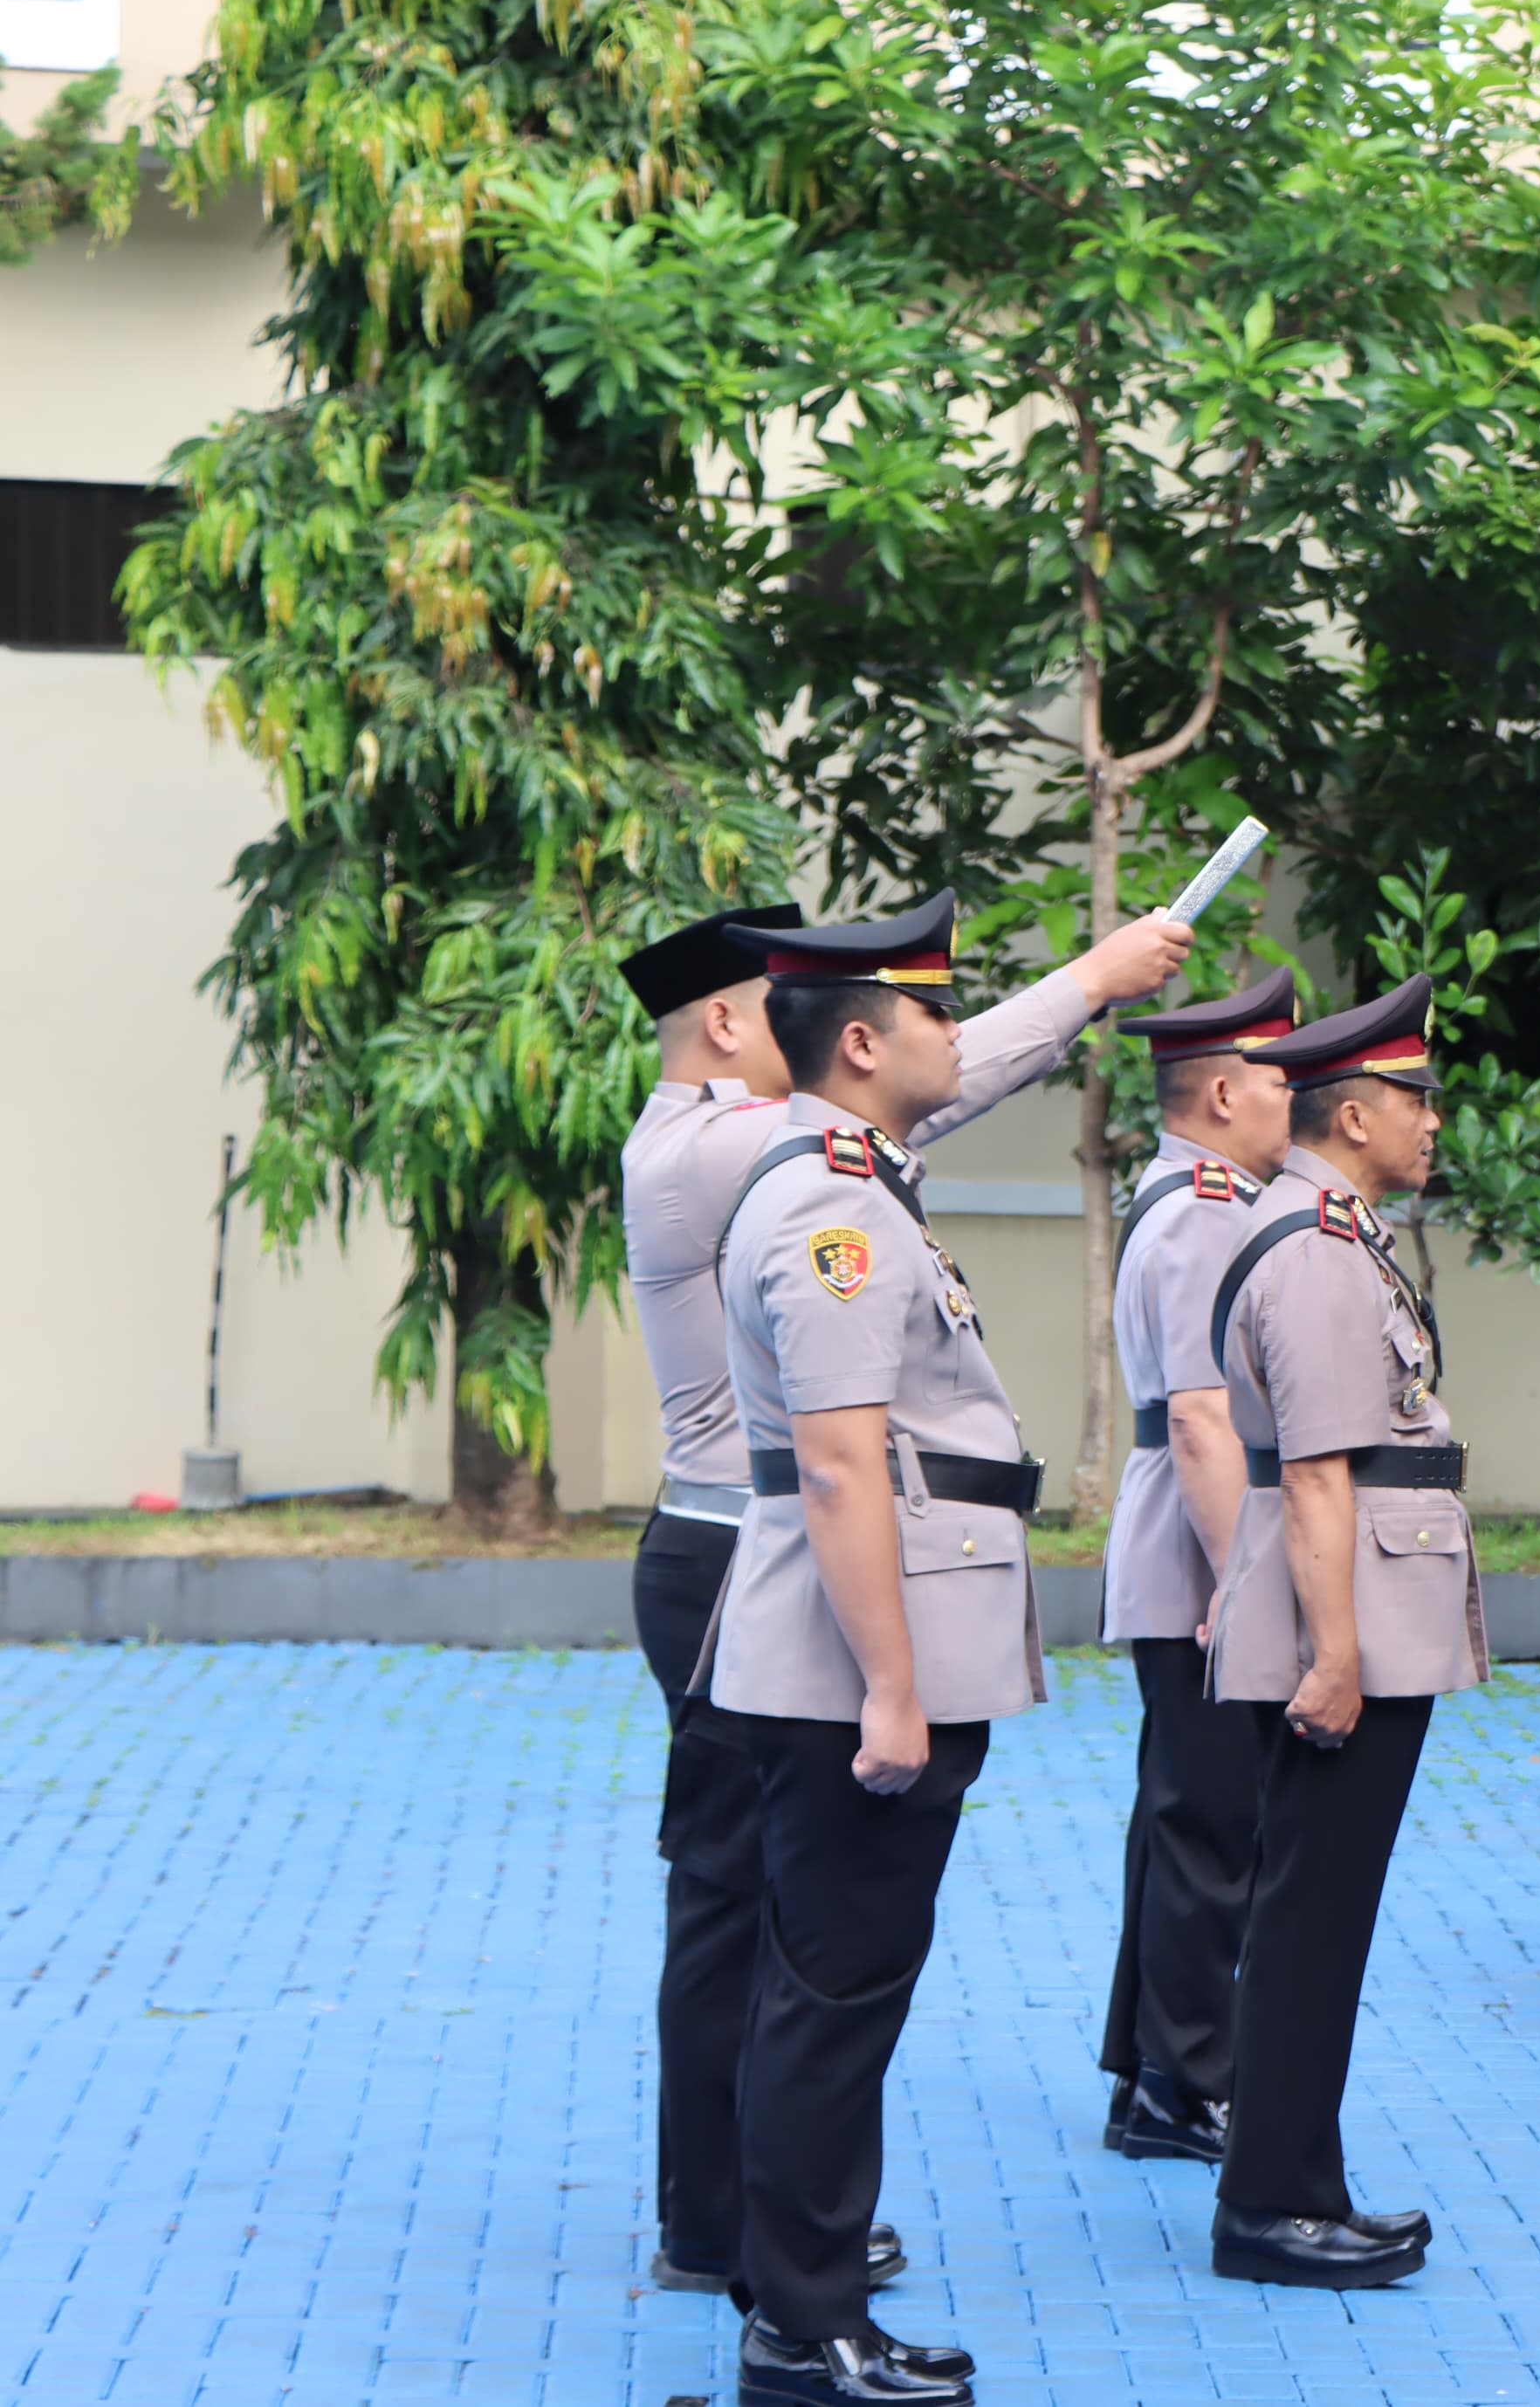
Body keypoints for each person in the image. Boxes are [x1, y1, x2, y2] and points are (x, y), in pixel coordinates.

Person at [613, 892, 1186, 2312]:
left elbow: (916, 1077)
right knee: (765, 1920)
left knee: (762, 1913)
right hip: (749, 1551)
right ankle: (745, 2228)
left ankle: (744, 2219)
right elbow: (939, 1078)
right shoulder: (726, 1148)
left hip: (748, 1540)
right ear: (746, 1022)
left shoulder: (758, 1141)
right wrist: (1095, 978)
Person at [1205, 978, 1479, 2288]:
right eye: (1419, 1099)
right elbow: (1319, 1471)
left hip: (1361, 1613)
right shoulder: (1314, 1247)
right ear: (1358, 1111)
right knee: (1311, 1917)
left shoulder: (1338, 1230)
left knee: (1317, 1912)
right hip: (1344, 1628)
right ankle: (1271, 2206)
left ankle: (1296, 2184)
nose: (1436, 1119)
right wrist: (1336, 1652)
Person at [1095, 973, 1296, 2173]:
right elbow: (1204, 1423)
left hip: (1186, 1535)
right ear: (1222, 1093)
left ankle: (1152, 2069)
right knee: (1214, 1824)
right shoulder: (1205, 1217)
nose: (1293, 1100)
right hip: (1199, 1542)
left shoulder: (1188, 1201)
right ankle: (1183, 2080)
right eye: (1278, 1081)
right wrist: (1246, 1579)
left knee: (1185, 1813)